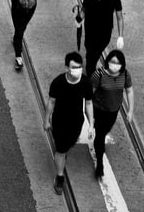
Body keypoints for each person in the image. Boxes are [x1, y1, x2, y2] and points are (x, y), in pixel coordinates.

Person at [45, 52, 94, 195]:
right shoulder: (58, 82)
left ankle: (63, 151)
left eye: (79, 67)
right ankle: (60, 177)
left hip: (76, 122)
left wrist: (91, 124)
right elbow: (51, 102)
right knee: (60, 150)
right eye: (74, 67)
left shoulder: (86, 83)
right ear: (67, 68)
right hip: (60, 121)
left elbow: (89, 103)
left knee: (68, 145)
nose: (77, 69)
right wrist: (46, 119)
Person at [90, 49, 134, 178]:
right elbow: (90, 92)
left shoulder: (125, 75)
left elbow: (129, 91)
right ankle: (100, 164)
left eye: (117, 63)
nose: (115, 65)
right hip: (99, 109)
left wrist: (130, 111)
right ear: (107, 61)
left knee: (105, 130)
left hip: (113, 111)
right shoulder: (99, 75)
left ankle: (99, 144)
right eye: (112, 62)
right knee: (100, 134)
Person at [82, 0, 124, 72]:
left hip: (105, 35)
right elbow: (83, 11)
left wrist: (120, 36)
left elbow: (119, 18)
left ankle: (91, 76)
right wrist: (78, 19)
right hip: (90, 33)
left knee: (93, 57)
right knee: (90, 55)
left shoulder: (115, 0)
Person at [10, 0, 42, 71]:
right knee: (19, 29)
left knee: (20, 30)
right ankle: (17, 49)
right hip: (17, 8)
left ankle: (18, 54)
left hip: (30, 9)